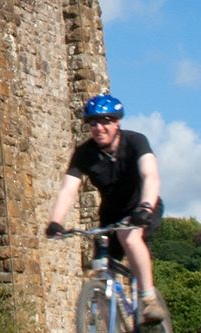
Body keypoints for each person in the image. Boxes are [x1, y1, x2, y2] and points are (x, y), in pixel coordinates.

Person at [44, 93, 169, 324]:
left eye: (105, 121)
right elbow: (69, 189)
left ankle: (148, 297)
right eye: (93, 123)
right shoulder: (84, 154)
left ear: (117, 123)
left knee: (130, 238)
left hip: (143, 206)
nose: (99, 127)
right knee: (101, 267)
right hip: (111, 214)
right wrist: (56, 221)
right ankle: (110, 322)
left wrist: (146, 207)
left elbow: (150, 176)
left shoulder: (135, 142)